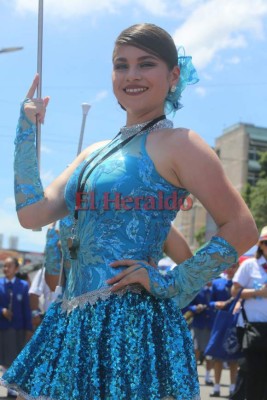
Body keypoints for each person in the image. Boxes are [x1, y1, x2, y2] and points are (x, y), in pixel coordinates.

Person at [1, 23, 257, 400]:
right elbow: (33, 214)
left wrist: (172, 282)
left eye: (145, 64)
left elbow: (242, 228)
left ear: (173, 76)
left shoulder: (181, 144)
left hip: (132, 325)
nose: (131, 75)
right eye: (121, 65)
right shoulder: (92, 153)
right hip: (72, 324)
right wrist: (26, 131)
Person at [231, 226, 267, 400]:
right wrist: (258, 293)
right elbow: (234, 292)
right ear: (260, 245)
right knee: (253, 374)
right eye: (266, 243)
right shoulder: (249, 265)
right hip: (251, 327)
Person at [0, 257, 32, 398]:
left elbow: (26, 308)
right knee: (5, 358)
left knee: (15, 358)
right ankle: (9, 386)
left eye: (9, 266)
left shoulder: (23, 285)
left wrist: (29, 329)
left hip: (18, 328)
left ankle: (12, 389)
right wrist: (2, 311)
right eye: (4, 266)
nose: (6, 269)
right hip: (3, 328)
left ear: (16, 269)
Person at [208, 263, 240, 398]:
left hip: (235, 322)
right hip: (219, 322)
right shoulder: (217, 283)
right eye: (229, 266)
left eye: (234, 266)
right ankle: (216, 387)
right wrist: (215, 304)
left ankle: (233, 388)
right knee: (217, 357)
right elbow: (209, 302)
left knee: (234, 357)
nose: (231, 269)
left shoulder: (241, 284)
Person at [187, 283, 216, 387]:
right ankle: (192, 377)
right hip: (198, 324)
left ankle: (208, 377)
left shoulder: (216, 288)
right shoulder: (197, 289)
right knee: (195, 350)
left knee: (210, 353)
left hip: (212, 324)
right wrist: (195, 308)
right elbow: (188, 304)